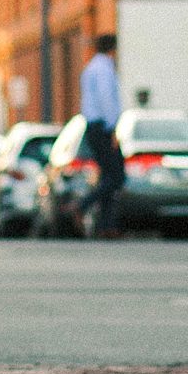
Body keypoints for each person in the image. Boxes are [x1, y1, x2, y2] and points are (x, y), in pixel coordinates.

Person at [80, 33, 126, 239]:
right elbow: (107, 100)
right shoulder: (105, 69)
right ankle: (82, 205)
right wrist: (113, 128)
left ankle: (106, 226)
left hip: (92, 127)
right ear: (112, 49)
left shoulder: (90, 68)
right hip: (103, 128)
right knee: (117, 176)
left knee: (108, 175)